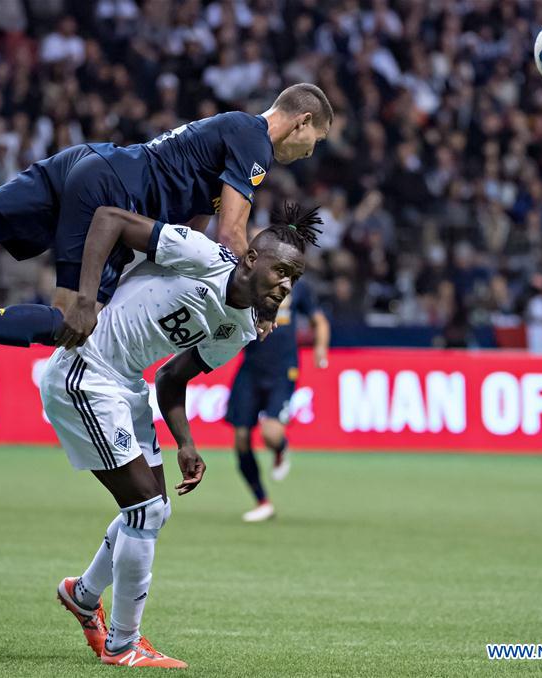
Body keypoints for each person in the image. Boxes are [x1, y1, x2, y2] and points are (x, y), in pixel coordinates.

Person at [0, 84, 332, 393]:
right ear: (302, 120)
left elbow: (196, 237)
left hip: (86, 163)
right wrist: (263, 310)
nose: (308, 153)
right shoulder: (254, 139)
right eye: (314, 141)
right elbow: (234, 235)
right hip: (113, 194)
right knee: (74, 319)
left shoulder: (227, 133)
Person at [41, 202, 320, 667]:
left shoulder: (241, 327)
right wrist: (85, 299)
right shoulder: (203, 255)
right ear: (252, 258)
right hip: (86, 368)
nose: (288, 284)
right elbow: (109, 218)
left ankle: (84, 594)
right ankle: (123, 645)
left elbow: (171, 378)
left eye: (296, 277)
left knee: (155, 512)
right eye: (282, 270)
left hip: (127, 384)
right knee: (145, 511)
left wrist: (185, 441)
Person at [225, 275, 329, 522]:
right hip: (250, 368)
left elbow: (319, 321)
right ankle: (262, 501)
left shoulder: (299, 286)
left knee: (270, 434)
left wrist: (321, 348)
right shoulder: (248, 283)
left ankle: (280, 449)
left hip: (283, 369)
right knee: (240, 437)